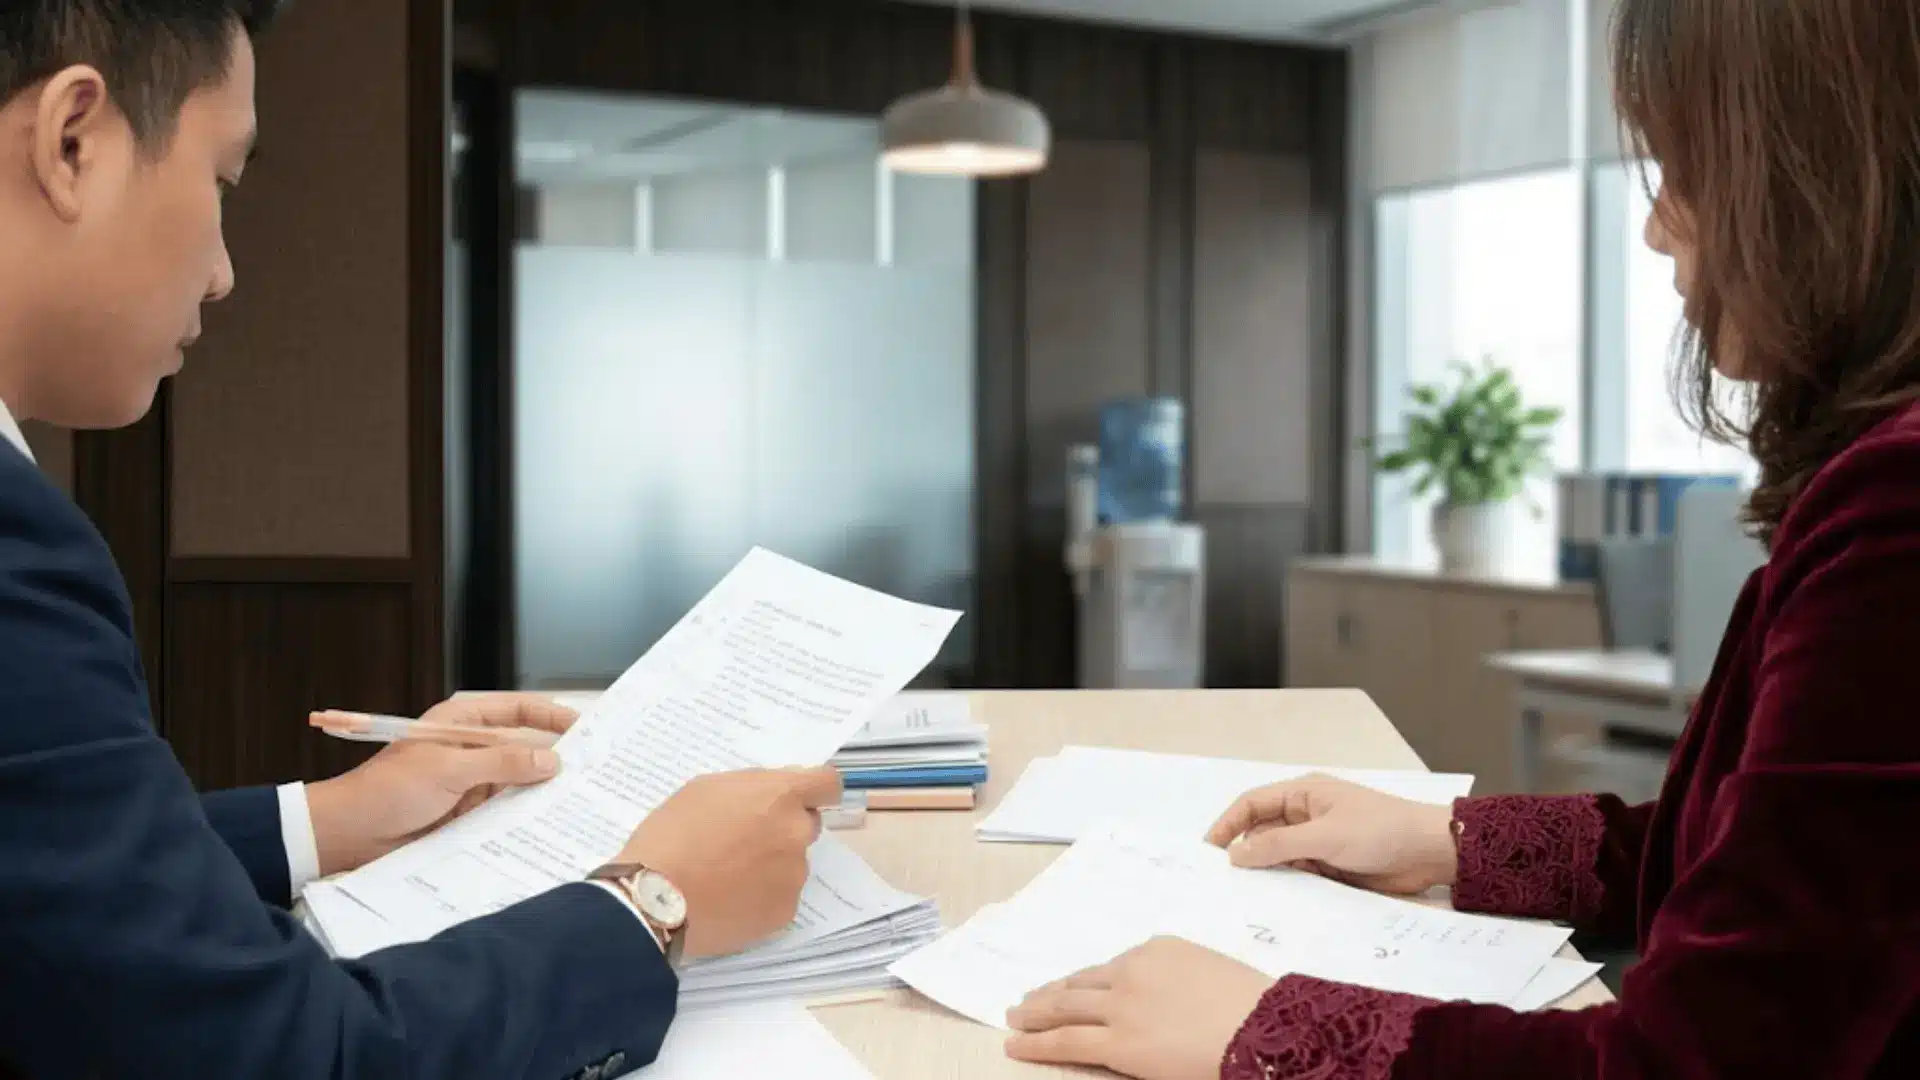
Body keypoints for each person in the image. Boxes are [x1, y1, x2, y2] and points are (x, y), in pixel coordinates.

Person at [1003, 0, 1920, 1077]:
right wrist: (1444, 840)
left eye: (1681, 171)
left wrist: (1272, 1031)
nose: (1658, 227)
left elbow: (1697, 1061)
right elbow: (1736, 864)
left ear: (1816, 180)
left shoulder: (1900, 506)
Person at [0, 3, 839, 1078]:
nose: (221, 271)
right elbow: (299, 1059)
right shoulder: (20, 557)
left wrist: (339, 818)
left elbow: (52, 873)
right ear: (73, 140)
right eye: (223, 182)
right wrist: (651, 902)